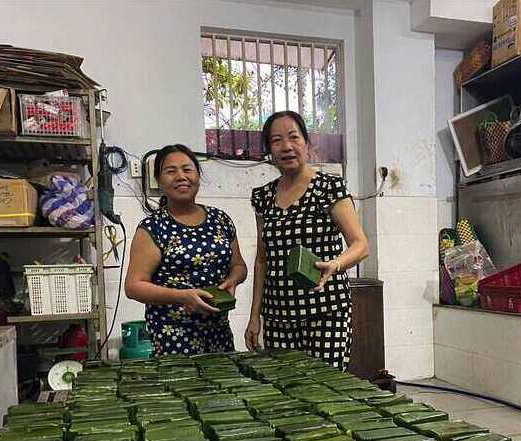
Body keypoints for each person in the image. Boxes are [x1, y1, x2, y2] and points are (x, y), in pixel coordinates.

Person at [246, 111, 369, 369]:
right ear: (269, 149)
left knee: (327, 389)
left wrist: (335, 264)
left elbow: (360, 245)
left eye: (293, 137)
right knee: (285, 392)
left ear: (306, 143)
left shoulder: (329, 187)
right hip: (279, 315)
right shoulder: (262, 197)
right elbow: (262, 261)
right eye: (277, 140)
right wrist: (254, 316)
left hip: (326, 312)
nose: (287, 146)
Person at [125, 144, 247, 356]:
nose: (181, 176)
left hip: (219, 332)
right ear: (159, 181)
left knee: (223, 386)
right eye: (171, 171)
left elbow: (239, 266)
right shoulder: (153, 227)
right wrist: (182, 296)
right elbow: (133, 286)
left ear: (198, 176)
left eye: (187, 169)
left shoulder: (220, 220)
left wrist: (233, 280)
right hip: (174, 337)